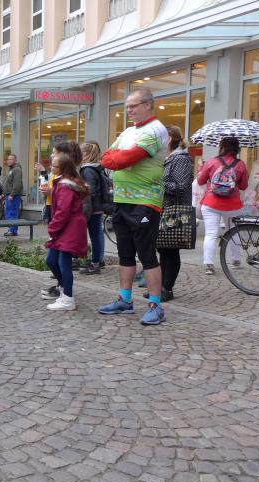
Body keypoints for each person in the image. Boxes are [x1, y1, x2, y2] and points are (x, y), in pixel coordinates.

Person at [97, 87, 169, 326]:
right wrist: (116, 158)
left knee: (147, 254)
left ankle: (155, 306)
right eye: (127, 106)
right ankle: (124, 299)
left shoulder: (156, 129)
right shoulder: (128, 131)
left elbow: (124, 159)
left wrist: (118, 158)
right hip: (122, 200)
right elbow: (106, 157)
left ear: (147, 105)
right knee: (125, 254)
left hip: (145, 201)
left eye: (133, 106)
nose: (128, 110)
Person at [140, 126, 194, 301]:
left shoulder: (181, 159)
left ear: (169, 138)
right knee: (163, 249)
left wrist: (158, 183)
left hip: (174, 210)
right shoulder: (168, 158)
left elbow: (181, 186)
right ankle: (161, 287)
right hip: (162, 209)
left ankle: (167, 288)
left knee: (170, 250)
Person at [197, 136, 249, 275]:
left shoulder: (211, 162)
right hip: (233, 205)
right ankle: (236, 260)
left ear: (222, 147)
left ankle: (209, 265)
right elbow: (244, 186)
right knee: (233, 232)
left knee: (211, 234)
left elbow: (200, 181)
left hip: (211, 203)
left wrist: (202, 169)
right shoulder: (241, 164)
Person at [44, 154, 89, 311]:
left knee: (64, 263)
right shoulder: (63, 183)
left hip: (69, 228)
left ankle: (68, 298)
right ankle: (64, 291)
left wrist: (52, 228)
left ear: (62, 168)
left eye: (54, 166)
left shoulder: (65, 186)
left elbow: (63, 211)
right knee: (51, 260)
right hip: (65, 227)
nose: (51, 167)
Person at [78, 142, 106, 275]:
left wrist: (85, 211)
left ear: (86, 154)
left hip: (92, 209)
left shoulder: (87, 170)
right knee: (96, 235)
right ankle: (96, 260)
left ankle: (95, 263)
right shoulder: (95, 167)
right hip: (95, 207)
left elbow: (89, 192)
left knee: (95, 236)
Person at [2, 154, 24, 234]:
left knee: (12, 213)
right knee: (8, 213)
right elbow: (7, 183)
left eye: (11, 159)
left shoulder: (17, 169)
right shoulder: (10, 169)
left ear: (15, 160)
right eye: (8, 159)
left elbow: (17, 184)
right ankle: (11, 229)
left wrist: (12, 194)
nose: (9, 161)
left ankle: (13, 230)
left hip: (13, 196)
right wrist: (3, 193)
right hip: (8, 195)